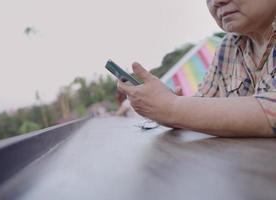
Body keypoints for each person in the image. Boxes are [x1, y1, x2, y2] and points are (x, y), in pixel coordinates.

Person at [118, 0, 276, 137]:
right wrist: (165, 105)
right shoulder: (228, 47)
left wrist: (172, 107)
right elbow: (201, 103)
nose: (217, 2)